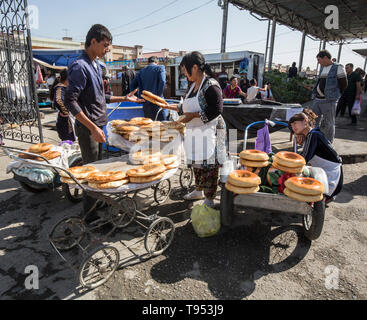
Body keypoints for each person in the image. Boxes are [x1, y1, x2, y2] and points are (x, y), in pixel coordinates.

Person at [65, 24, 143, 221]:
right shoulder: (80, 66)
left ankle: (98, 206)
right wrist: (92, 128)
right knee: (93, 174)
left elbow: (101, 97)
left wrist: (124, 98)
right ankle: (90, 218)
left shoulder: (94, 65)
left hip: (97, 127)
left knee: (100, 170)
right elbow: (70, 100)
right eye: (105, 45)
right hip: (88, 128)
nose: (107, 49)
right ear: (93, 42)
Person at [158, 51, 227, 208]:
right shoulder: (192, 86)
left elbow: (217, 110)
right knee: (197, 161)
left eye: (185, 70)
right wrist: (167, 105)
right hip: (195, 131)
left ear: (194, 67)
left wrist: (193, 116)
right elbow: (185, 107)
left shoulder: (211, 86)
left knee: (209, 164)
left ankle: (209, 198)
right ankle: (198, 190)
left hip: (211, 131)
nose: (184, 73)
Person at [289, 109, 343, 202]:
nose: (293, 127)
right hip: (328, 172)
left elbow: (304, 158)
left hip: (332, 177)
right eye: (291, 126)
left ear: (305, 121)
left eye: (295, 124)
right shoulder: (313, 133)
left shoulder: (313, 135)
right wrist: (297, 133)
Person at [311, 50, 347, 143]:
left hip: (329, 100)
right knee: (313, 121)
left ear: (326, 58)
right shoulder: (323, 68)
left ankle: (327, 143)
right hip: (317, 99)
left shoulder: (338, 67)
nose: (318, 62)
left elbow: (344, 84)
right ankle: (313, 140)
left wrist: (335, 95)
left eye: (319, 60)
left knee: (328, 123)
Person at [130, 56, 167, 121]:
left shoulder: (141, 71)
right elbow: (163, 81)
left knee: (149, 125)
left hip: (146, 104)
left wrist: (137, 98)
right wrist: (159, 97)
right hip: (158, 103)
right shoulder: (160, 68)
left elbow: (132, 85)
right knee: (161, 126)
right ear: (157, 62)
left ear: (148, 62)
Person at [50, 69, 75, 142]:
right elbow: (58, 100)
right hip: (65, 123)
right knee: (68, 143)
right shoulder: (60, 88)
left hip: (68, 121)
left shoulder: (65, 88)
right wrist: (65, 112)